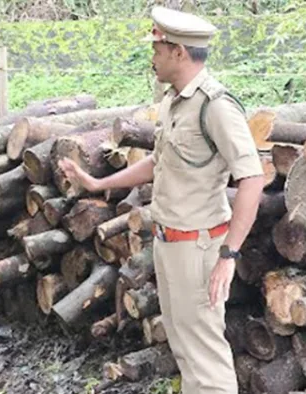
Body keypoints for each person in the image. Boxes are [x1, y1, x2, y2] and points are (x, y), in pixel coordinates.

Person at [59, 7, 265, 393]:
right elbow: (158, 161)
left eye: (157, 48)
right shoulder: (175, 101)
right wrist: (92, 183)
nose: (151, 56)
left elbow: (252, 178)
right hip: (169, 243)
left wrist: (229, 255)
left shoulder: (215, 106)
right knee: (186, 352)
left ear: (179, 53)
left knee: (206, 361)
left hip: (200, 248)